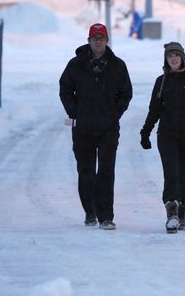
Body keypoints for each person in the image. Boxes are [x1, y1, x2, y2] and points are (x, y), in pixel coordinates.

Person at [59, 23, 132, 230]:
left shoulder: (118, 65)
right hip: (83, 128)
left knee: (106, 172)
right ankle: (90, 211)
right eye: (95, 38)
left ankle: (106, 216)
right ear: (89, 40)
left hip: (108, 128)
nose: (98, 41)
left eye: (102, 38)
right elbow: (65, 90)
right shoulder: (76, 65)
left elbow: (126, 93)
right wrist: (75, 113)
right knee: (86, 171)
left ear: (107, 40)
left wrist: (114, 113)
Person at [140, 42, 185, 233]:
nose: (173, 59)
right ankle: (171, 211)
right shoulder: (161, 81)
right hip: (167, 135)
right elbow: (154, 110)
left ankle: (182, 211)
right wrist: (145, 132)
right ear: (166, 58)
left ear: (182, 58)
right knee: (171, 172)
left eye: (176, 56)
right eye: (170, 56)